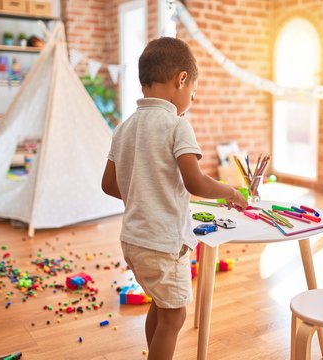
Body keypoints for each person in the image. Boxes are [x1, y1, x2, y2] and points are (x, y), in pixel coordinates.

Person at [101, 37, 247, 360]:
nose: (190, 101)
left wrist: (143, 190)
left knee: (161, 305)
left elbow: (109, 184)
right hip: (163, 245)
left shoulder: (123, 128)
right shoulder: (176, 126)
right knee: (175, 316)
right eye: (192, 94)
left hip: (133, 242)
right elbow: (194, 181)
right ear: (181, 80)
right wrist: (230, 192)